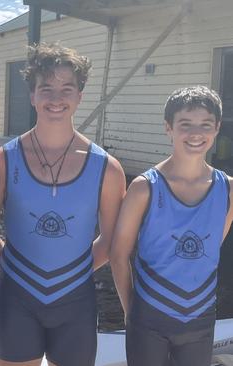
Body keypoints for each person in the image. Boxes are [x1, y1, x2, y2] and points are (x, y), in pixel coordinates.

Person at [0, 43, 126, 366]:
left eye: (67, 89)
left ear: (80, 96)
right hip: (16, 299)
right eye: (46, 88)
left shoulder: (106, 168)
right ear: (33, 95)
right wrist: (15, 269)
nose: (56, 98)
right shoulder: (2, 161)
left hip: (76, 303)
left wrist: (70, 274)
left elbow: (111, 242)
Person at [110, 86, 233, 366]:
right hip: (149, 317)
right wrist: (132, 312)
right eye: (185, 125)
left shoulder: (227, 189)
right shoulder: (145, 187)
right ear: (169, 128)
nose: (195, 134)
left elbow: (213, 247)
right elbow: (118, 255)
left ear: (216, 129)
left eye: (205, 125)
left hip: (200, 318)